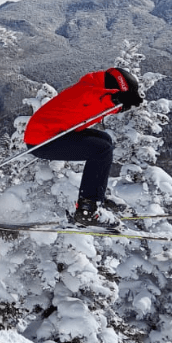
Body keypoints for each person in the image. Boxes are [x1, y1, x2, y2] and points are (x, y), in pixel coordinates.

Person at [23, 67, 143, 226]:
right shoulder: (87, 91)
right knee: (101, 150)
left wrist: (122, 102)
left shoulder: (93, 86)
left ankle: (95, 197)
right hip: (42, 140)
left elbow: (99, 104)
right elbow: (96, 99)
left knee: (104, 140)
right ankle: (88, 210)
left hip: (51, 133)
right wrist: (116, 98)